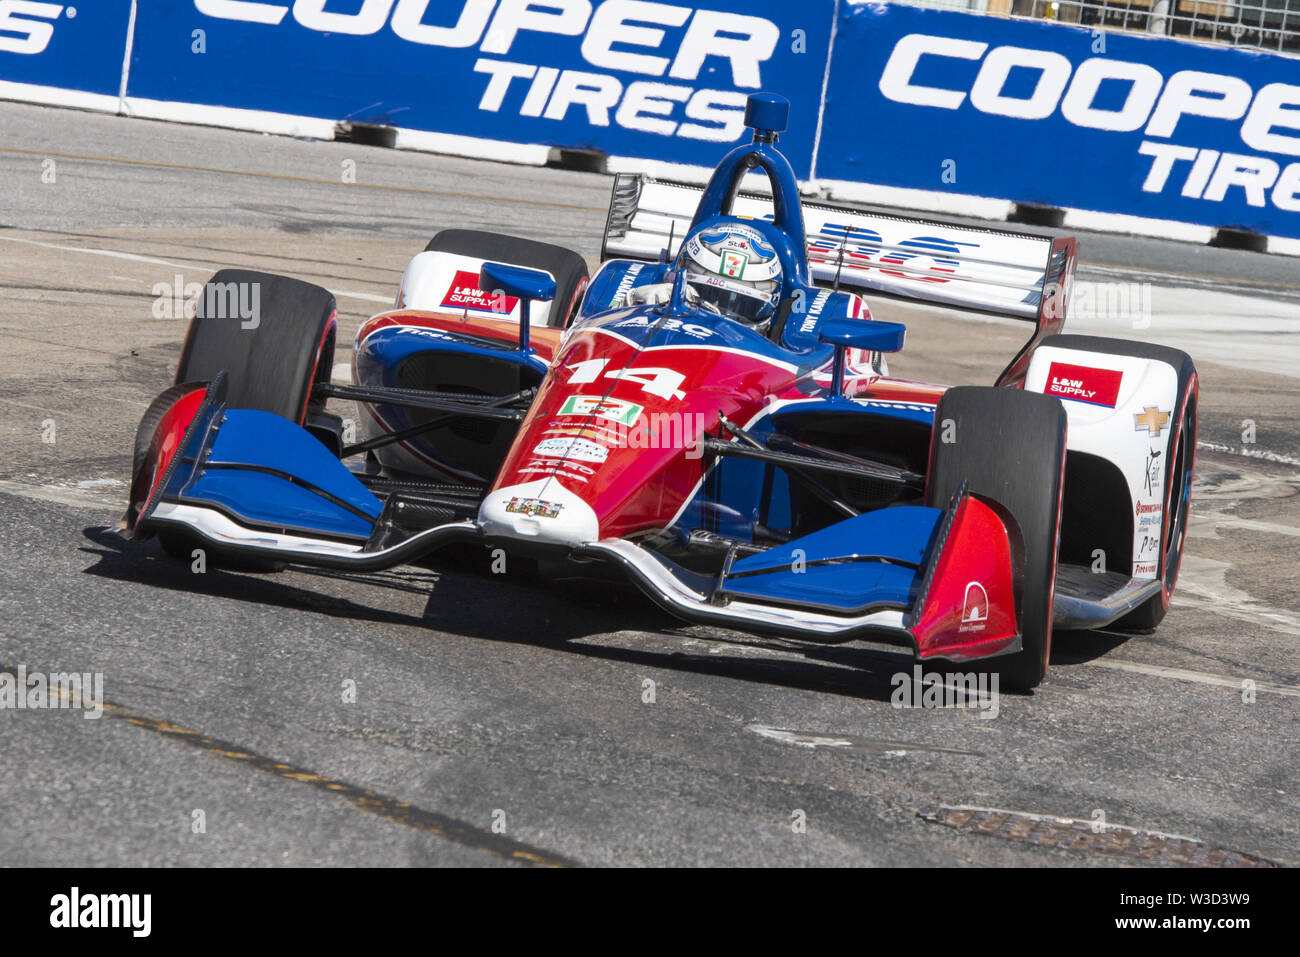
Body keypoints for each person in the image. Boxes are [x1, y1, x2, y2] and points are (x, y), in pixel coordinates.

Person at [629, 221, 784, 334]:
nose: (720, 320)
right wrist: (636, 308)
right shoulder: (654, 299)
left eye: (744, 306)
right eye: (707, 296)